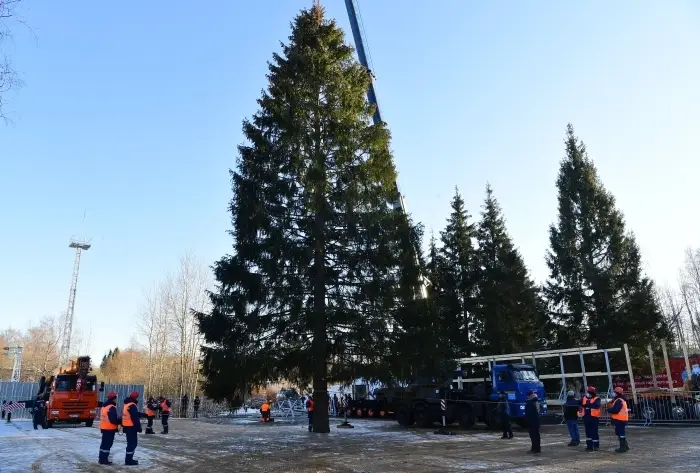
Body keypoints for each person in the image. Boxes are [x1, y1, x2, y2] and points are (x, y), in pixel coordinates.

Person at [98, 392, 120, 465]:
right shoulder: (111, 407)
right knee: (107, 444)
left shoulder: (104, 406)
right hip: (110, 429)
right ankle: (104, 459)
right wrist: (120, 420)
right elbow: (113, 420)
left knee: (103, 444)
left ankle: (101, 458)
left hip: (104, 428)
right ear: (114, 398)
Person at [122, 391, 142, 465]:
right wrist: (139, 428)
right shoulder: (132, 405)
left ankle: (129, 459)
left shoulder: (127, 404)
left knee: (131, 443)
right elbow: (135, 418)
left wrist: (142, 414)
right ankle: (129, 460)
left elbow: (133, 415)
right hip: (131, 427)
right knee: (132, 444)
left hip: (127, 427)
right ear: (135, 397)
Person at [607, 386, 629, 453]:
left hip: (620, 420)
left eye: (614, 392)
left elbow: (616, 410)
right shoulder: (620, 399)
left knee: (621, 433)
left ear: (617, 393)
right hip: (621, 419)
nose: (613, 393)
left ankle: (622, 448)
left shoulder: (619, 400)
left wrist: (609, 410)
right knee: (619, 433)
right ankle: (625, 446)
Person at [581, 385, 601, 451]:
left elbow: (597, 405)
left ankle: (596, 446)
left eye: (589, 392)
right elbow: (580, 403)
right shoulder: (584, 397)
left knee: (594, 432)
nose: (587, 393)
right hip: (586, 417)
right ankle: (589, 446)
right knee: (588, 432)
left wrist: (587, 405)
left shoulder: (597, 399)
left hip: (594, 418)